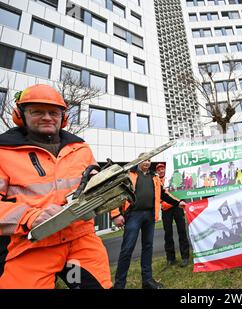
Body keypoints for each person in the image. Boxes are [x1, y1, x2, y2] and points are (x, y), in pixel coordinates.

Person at [0, 84, 111, 288]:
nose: (47, 117)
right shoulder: (3, 153)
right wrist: (30, 217)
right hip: (32, 245)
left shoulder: (81, 149)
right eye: (37, 112)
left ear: (63, 118)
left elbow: (93, 184)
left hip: (80, 244)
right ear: (20, 115)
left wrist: (105, 184)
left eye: (53, 112)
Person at [111, 158, 186, 289]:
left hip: (149, 215)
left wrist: (178, 202)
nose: (147, 162)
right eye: (144, 160)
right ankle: (119, 285)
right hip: (133, 215)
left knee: (148, 247)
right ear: (139, 162)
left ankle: (147, 280)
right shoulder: (129, 174)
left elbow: (163, 194)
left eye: (149, 160)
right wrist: (115, 214)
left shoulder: (154, 177)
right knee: (127, 249)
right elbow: (115, 193)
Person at [156, 163, 190, 267]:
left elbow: (181, 188)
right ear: (157, 171)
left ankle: (185, 257)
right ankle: (170, 259)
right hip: (166, 209)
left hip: (177, 207)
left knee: (182, 231)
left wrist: (182, 199)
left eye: (163, 169)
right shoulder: (156, 181)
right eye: (159, 170)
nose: (161, 171)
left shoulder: (171, 178)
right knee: (168, 234)